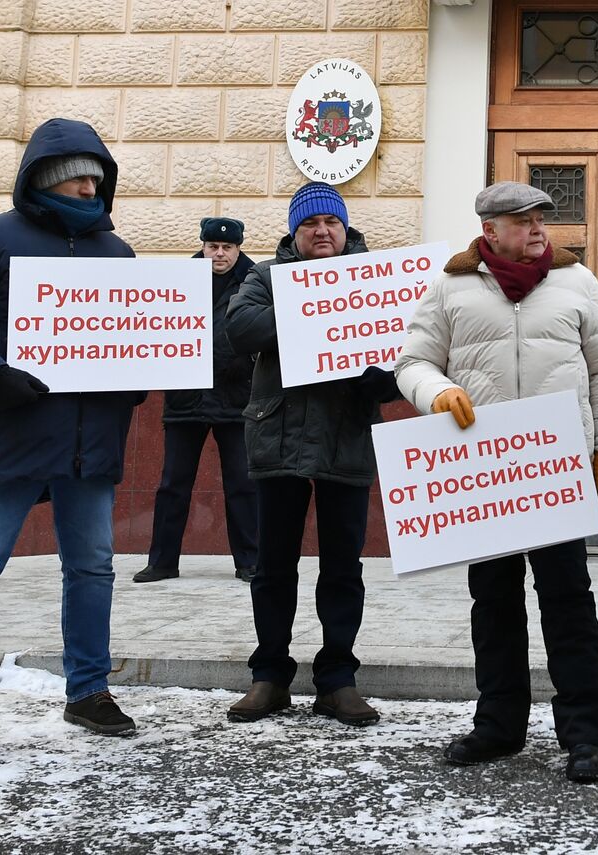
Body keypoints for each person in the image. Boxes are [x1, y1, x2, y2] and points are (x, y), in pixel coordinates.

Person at [0, 118, 144, 758]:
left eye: (98, 174)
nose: (90, 184)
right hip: (8, 433)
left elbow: (131, 332)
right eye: (77, 173)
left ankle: (89, 691)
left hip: (88, 440)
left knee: (92, 567)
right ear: (42, 178)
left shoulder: (117, 254)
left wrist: (139, 374)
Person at [395, 181, 598, 783]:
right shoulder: (451, 287)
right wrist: (438, 391)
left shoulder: (577, 281)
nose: (538, 230)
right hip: (485, 477)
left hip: (554, 471)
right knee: (493, 603)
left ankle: (584, 736)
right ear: (490, 229)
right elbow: (412, 362)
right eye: (523, 221)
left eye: (541, 219)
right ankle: (499, 726)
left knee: (568, 604)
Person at [223, 182, 399, 727]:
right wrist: (322, 314)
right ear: (293, 233)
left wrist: (380, 377)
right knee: (272, 566)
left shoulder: (377, 282)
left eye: (331, 223)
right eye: (309, 224)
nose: (321, 232)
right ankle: (269, 676)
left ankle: (338, 680)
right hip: (276, 438)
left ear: (345, 230)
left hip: (345, 438)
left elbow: (407, 352)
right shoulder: (264, 277)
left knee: (343, 567)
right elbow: (240, 326)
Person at [134, 217, 258, 584]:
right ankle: (162, 562)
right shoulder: (178, 282)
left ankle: (250, 562)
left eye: (227, 248)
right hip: (186, 399)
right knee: (173, 483)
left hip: (237, 398)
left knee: (242, 484)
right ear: (202, 246)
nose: (219, 254)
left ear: (238, 248)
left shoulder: (255, 280)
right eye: (212, 247)